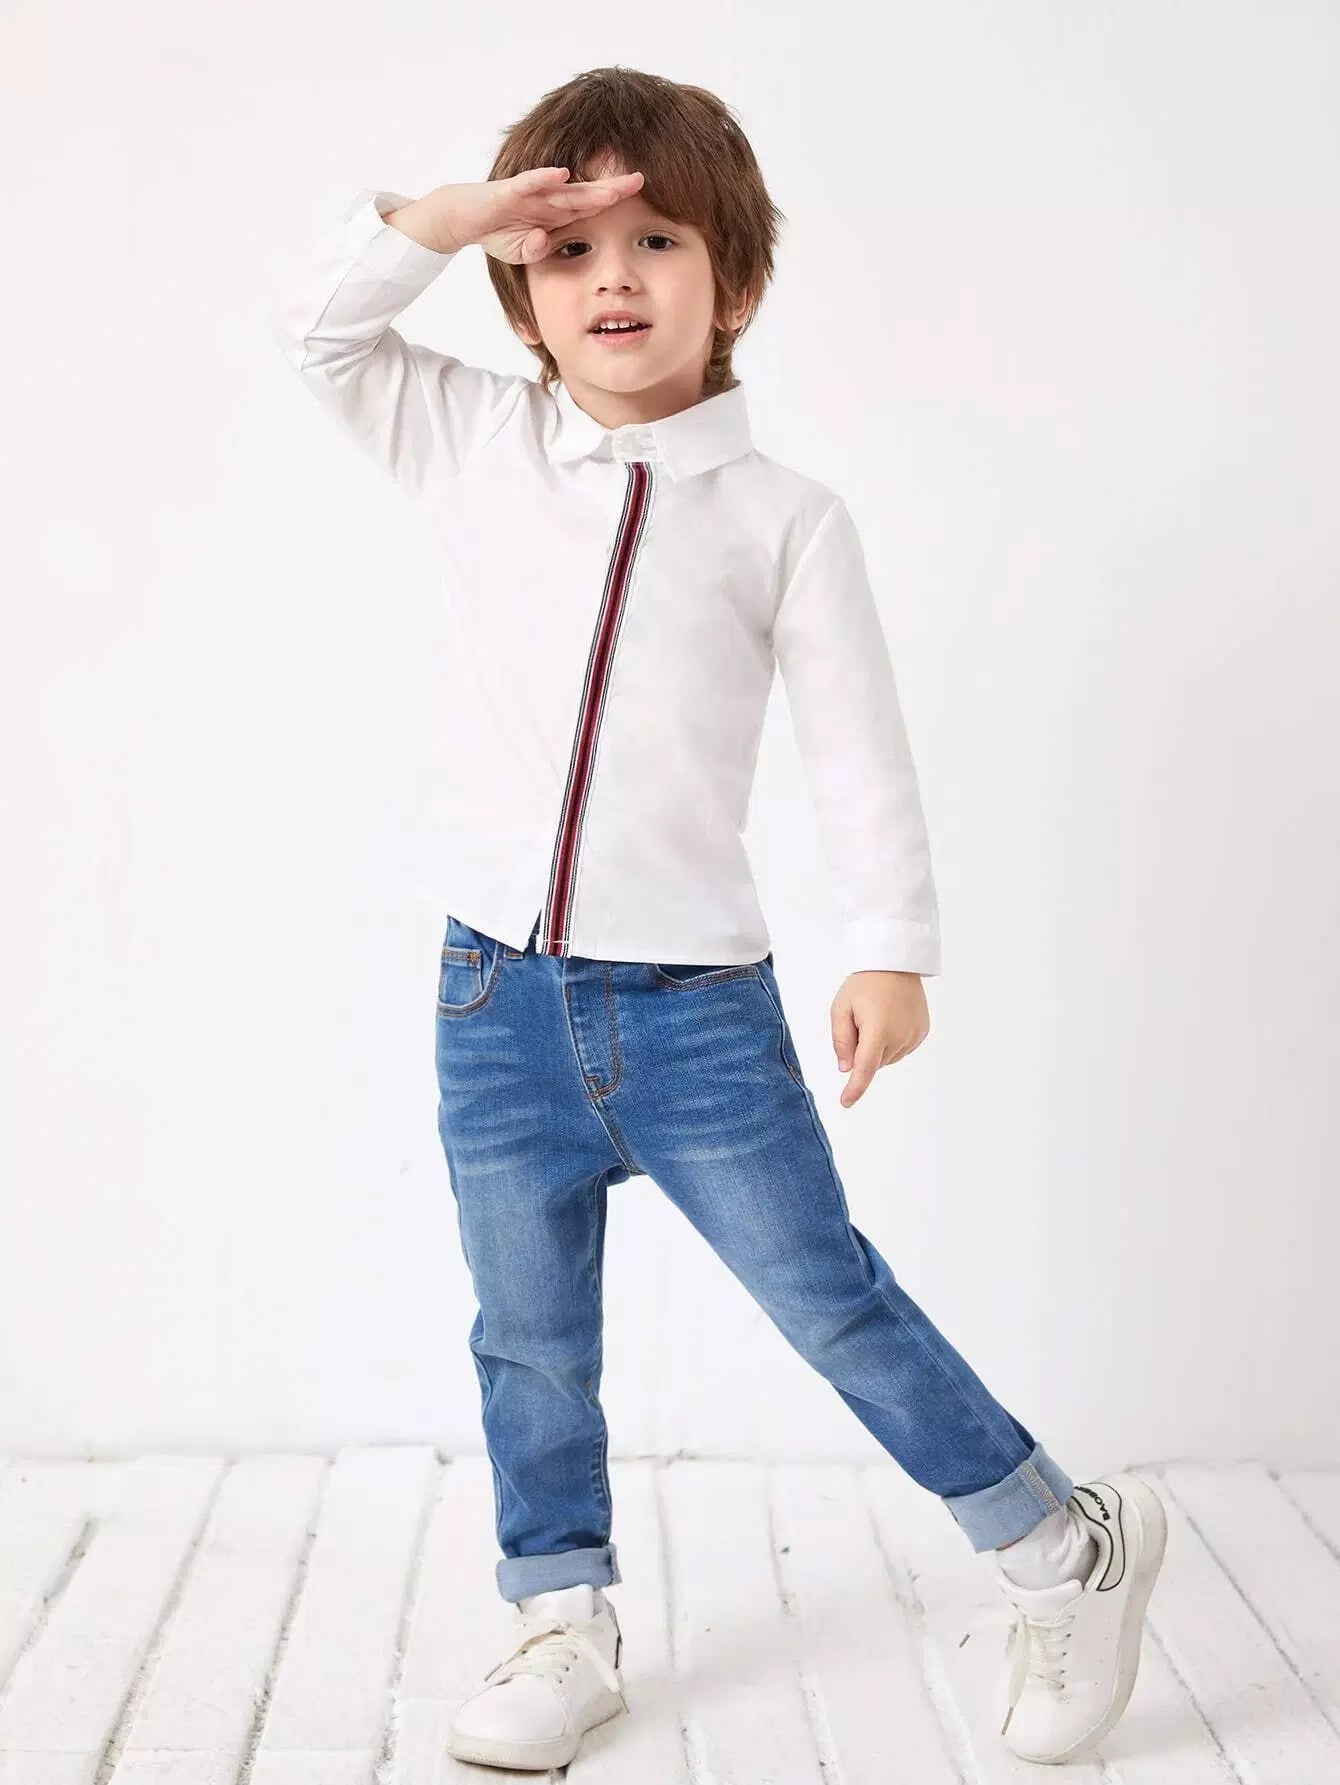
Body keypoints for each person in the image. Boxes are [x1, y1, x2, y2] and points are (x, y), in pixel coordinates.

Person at [271, 63, 1166, 1774]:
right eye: (569, 248)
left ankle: (1065, 1545)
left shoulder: (782, 521)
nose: (611, 275)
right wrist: (450, 219)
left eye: (658, 239)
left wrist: (890, 944)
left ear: (735, 281)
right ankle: (561, 1614)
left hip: (692, 1013)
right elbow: (319, 332)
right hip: (491, 999)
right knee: (527, 1331)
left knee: (830, 1300)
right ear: (520, 287)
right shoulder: (472, 443)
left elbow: (857, 752)